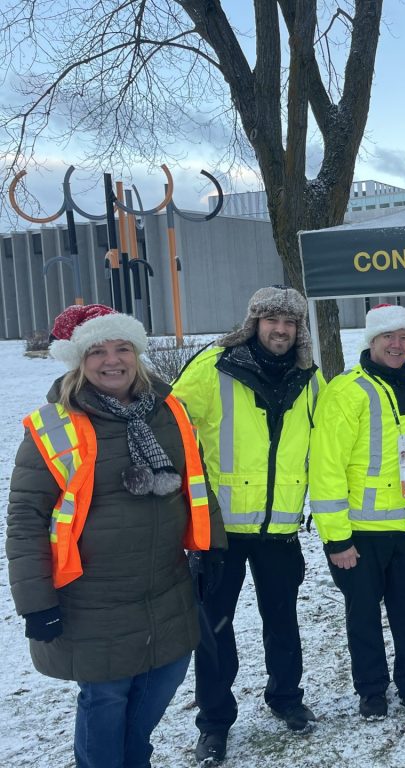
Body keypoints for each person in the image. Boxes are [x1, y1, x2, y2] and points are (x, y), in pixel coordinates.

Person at [6, 304, 225, 768]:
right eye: (97, 351)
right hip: (91, 597)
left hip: (166, 586)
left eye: (122, 347)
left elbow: (197, 483)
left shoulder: (169, 412)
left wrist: (212, 549)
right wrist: (36, 602)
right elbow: (25, 520)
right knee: (105, 698)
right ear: (77, 362)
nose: (112, 360)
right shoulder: (55, 425)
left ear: (137, 353)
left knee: (163, 678)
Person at [173, 286, 325, 764]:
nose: (280, 330)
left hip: (280, 530)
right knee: (214, 628)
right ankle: (215, 722)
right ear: (254, 322)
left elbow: (321, 449)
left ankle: (286, 698)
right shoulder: (212, 367)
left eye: (289, 323)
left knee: (282, 620)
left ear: (299, 329)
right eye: (271, 321)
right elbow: (172, 427)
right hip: (220, 532)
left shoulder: (309, 378)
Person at [309, 304, 405, 720]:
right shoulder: (347, 391)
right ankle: (371, 691)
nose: (397, 345)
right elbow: (326, 467)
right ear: (372, 340)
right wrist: (337, 539)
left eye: (404, 337)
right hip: (361, 534)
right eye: (389, 337)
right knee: (364, 618)